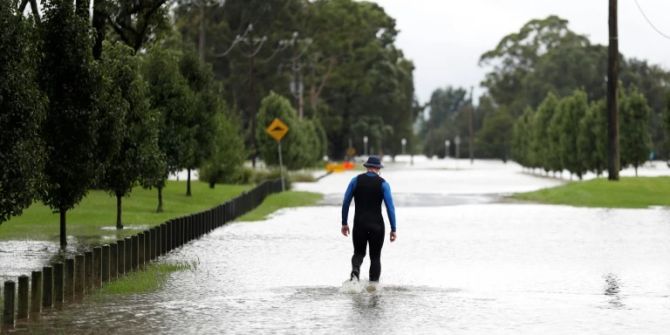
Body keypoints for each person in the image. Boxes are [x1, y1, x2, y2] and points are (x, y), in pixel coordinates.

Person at [341, 156, 397, 283]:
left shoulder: (355, 181)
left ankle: (355, 271)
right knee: (375, 257)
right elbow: (390, 207)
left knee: (358, 254)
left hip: (359, 224)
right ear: (378, 168)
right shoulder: (383, 184)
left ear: (366, 167)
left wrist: (344, 223)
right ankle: (373, 288)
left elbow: (345, 202)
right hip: (377, 226)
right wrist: (393, 228)